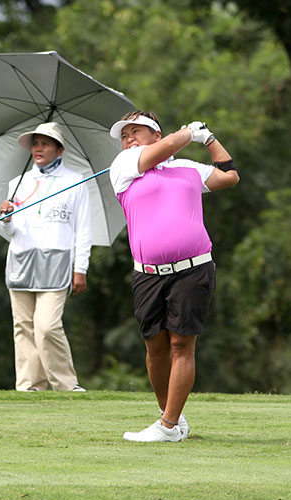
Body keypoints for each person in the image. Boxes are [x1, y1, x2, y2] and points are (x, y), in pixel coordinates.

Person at [108, 111, 239, 441]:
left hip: (193, 268)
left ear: (155, 134)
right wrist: (187, 134)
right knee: (155, 349)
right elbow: (163, 149)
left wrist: (207, 138)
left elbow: (229, 176)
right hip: (148, 274)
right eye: (124, 136)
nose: (129, 140)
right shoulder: (124, 167)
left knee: (182, 344)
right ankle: (171, 416)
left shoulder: (187, 170)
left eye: (136, 132)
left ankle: (167, 425)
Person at [0, 122, 91, 392]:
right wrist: (6, 218)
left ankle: (65, 384)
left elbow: (83, 230)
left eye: (46, 143)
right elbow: (13, 231)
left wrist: (80, 268)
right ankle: (30, 386)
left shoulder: (76, 182)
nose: (38, 148)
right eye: (35, 143)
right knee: (23, 327)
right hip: (21, 260)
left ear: (59, 150)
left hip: (58, 261)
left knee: (47, 326)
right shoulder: (18, 183)